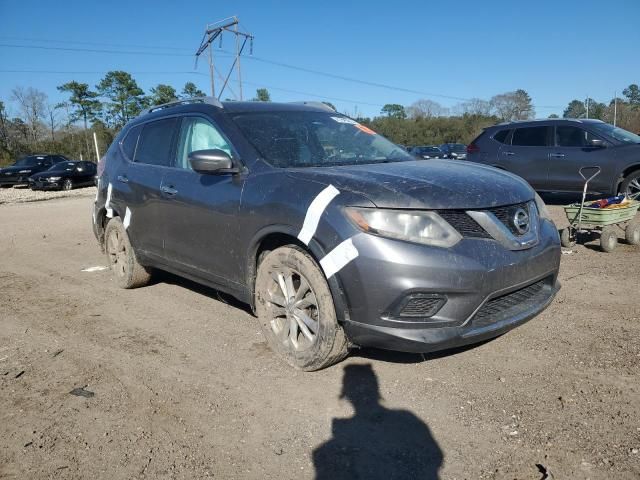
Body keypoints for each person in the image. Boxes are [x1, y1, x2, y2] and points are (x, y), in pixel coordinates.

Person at [313, 364, 443, 480]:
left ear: (346, 394)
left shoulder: (328, 445)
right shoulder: (406, 417)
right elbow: (436, 456)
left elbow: (435, 456)